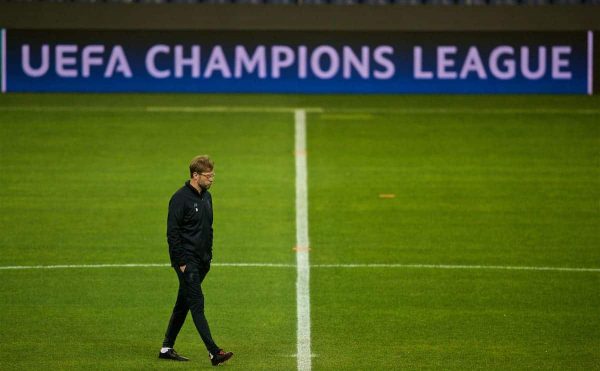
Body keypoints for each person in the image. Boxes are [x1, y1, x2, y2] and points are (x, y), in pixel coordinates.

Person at [158, 155, 233, 367]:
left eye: (213, 175)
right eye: (208, 176)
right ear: (195, 175)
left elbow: (207, 229)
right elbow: (172, 234)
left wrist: (208, 256)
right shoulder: (180, 199)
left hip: (202, 262)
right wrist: (182, 263)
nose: (212, 180)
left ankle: (166, 347)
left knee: (183, 303)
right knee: (197, 304)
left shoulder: (207, 197)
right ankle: (213, 352)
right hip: (187, 263)